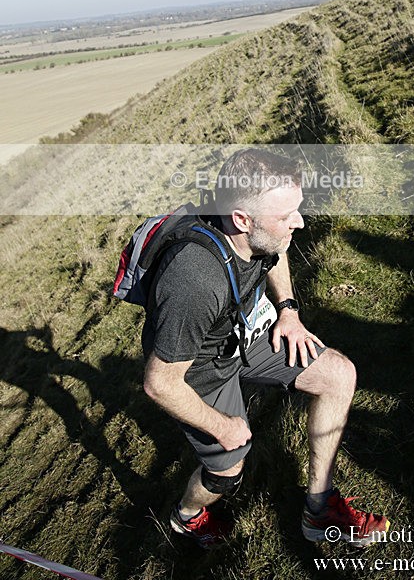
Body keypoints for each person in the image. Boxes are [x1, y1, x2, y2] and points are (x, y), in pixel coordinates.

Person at [142, 148, 389, 548]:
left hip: (244, 330)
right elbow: (159, 383)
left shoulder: (260, 230)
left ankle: (318, 508)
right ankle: (185, 517)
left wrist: (288, 311)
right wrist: (223, 426)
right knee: (228, 467)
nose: (300, 222)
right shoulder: (194, 283)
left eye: (297, 209)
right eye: (286, 216)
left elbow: (277, 250)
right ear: (241, 219)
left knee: (338, 375)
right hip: (198, 369)